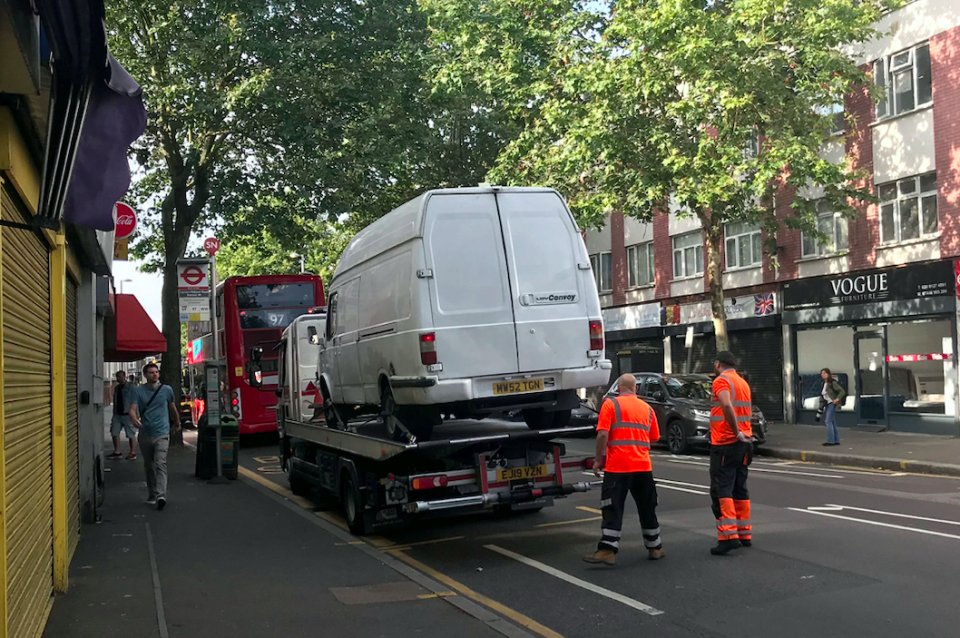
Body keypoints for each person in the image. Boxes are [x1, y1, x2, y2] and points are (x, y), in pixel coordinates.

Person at [583, 374, 664, 566]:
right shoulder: (647, 408)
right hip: (643, 466)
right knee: (647, 506)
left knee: (612, 506)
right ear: (636, 389)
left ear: (618, 389)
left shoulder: (611, 405)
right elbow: (655, 438)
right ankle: (655, 547)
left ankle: (608, 550)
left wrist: (597, 460)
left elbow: (603, 434)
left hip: (618, 466)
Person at [709, 351, 753, 556]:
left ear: (718, 363)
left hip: (725, 441)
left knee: (721, 488)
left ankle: (728, 536)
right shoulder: (742, 382)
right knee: (739, 487)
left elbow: (726, 405)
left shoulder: (721, 381)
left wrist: (735, 431)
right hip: (744, 442)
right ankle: (744, 533)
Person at [129, 362, 180, 510]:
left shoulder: (166, 390)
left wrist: (177, 423)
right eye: (151, 372)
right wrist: (133, 418)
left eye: (156, 372)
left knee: (160, 463)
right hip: (145, 434)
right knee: (149, 466)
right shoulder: (138, 391)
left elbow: (172, 408)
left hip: (162, 433)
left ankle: (161, 495)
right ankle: (152, 493)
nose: (155, 374)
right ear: (145, 375)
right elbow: (132, 409)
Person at [109, 371, 138, 460]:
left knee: (131, 434)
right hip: (118, 414)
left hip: (128, 414)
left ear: (125, 377)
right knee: (114, 432)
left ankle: (132, 452)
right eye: (117, 377)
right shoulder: (117, 388)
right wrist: (114, 413)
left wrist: (136, 414)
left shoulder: (131, 387)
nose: (118, 379)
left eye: (120, 377)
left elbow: (136, 401)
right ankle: (117, 451)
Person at [819, 368, 846, 447]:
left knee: (828, 421)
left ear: (828, 374)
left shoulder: (832, 383)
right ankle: (836, 440)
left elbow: (842, 391)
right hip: (827, 403)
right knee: (832, 422)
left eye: (824, 373)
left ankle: (831, 441)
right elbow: (824, 394)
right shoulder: (823, 383)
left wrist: (837, 399)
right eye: (822, 373)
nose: (823, 375)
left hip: (832, 403)